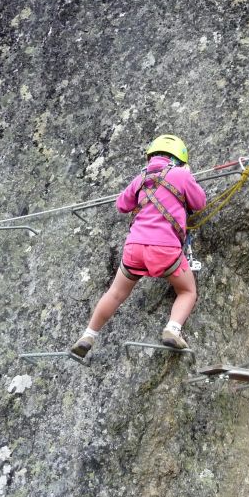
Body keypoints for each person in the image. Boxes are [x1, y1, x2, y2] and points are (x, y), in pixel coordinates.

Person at [71, 134, 206, 358]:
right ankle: (173, 329)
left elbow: (122, 205)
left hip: (134, 248)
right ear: (180, 159)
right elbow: (200, 203)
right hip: (164, 250)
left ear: (151, 156)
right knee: (187, 291)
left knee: (115, 293)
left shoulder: (141, 178)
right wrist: (188, 177)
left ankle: (88, 335)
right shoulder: (181, 174)